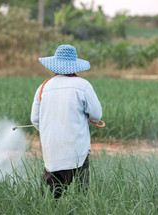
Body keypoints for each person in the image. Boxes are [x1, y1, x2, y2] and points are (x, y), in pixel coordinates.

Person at [30, 44, 102, 198]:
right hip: (77, 149)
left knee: (50, 197)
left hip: (52, 150)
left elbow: (35, 120)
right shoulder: (83, 86)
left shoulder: (43, 87)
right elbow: (96, 115)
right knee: (80, 193)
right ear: (75, 65)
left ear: (55, 65)